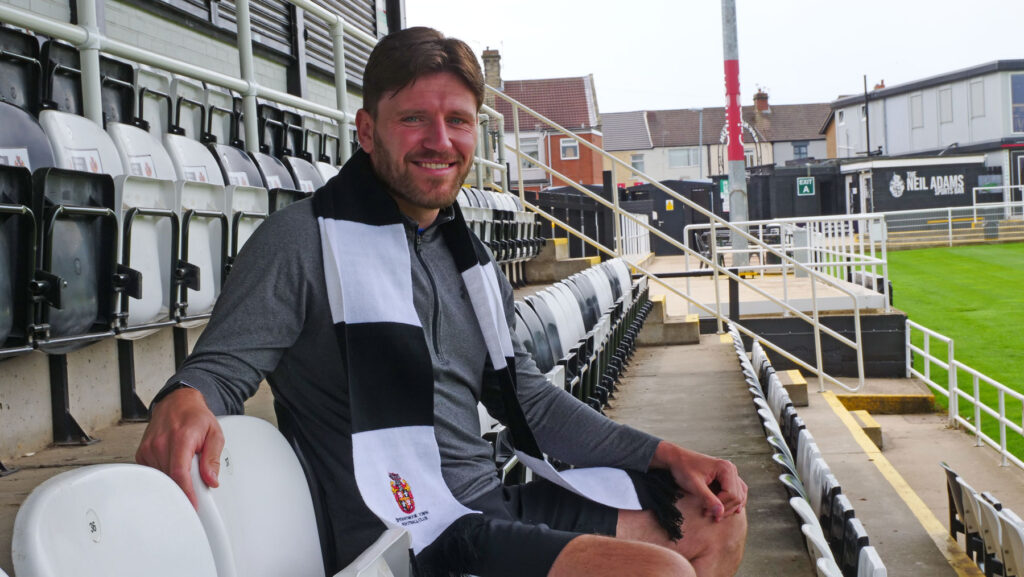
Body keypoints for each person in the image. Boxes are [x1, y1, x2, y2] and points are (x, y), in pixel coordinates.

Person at [136, 26, 747, 577]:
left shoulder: (468, 256)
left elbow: (527, 396)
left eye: (457, 120)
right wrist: (186, 397)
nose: (439, 140)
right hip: (402, 535)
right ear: (367, 130)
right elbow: (221, 368)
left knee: (713, 515)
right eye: (414, 120)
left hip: (488, 505)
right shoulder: (301, 240)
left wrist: (664, 455)